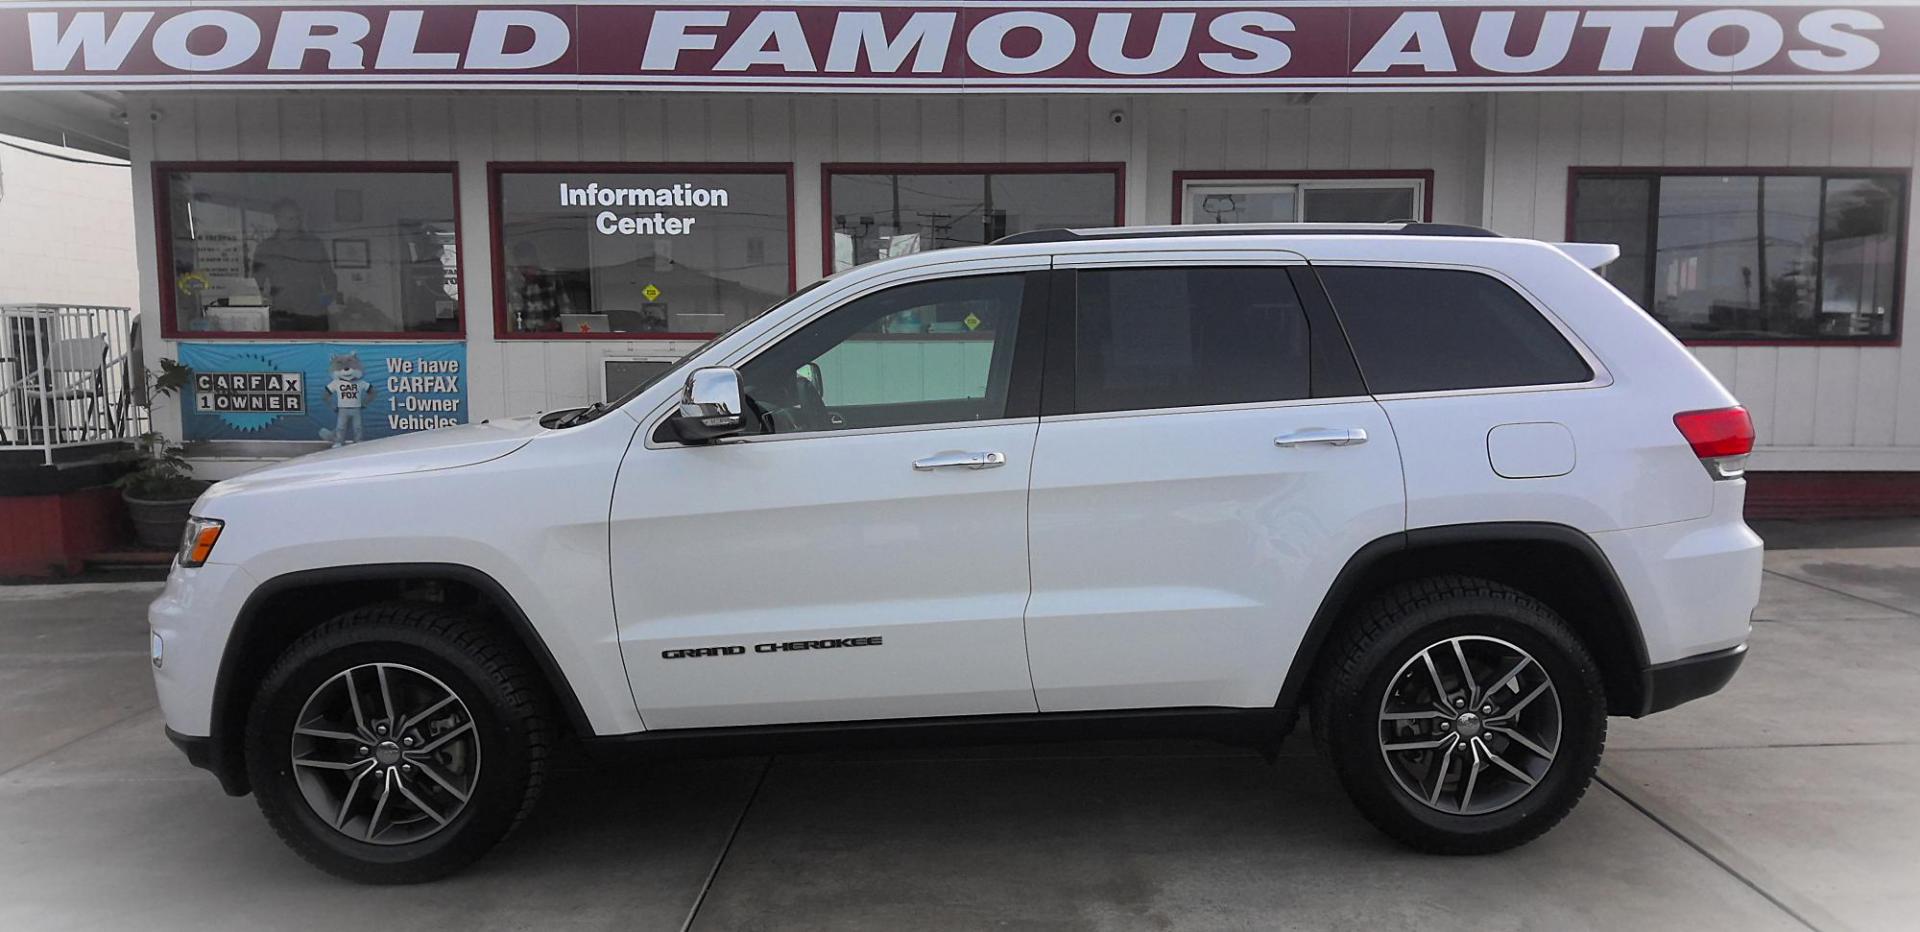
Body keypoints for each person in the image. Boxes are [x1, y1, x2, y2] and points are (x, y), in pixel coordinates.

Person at [251, 199, 337, 331]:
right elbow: (256, 283)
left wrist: (325, 300)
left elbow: (329, 276)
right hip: (282, 316)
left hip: (314, 315)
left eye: (297, 218)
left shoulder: (314, 244)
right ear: (277, 219)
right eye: (290, 218)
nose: (296, 222)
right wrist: (264, 301)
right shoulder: (266, 248)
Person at [508, 240, 571, 332]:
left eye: (530, 265)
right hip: (522, 336)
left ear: (536, 259)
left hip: (551, 334)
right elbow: (509, 312)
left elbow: (566, 308)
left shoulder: (551, 276)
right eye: (523, 267)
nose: (528, 271)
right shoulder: (511, 280)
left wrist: (557, 322)